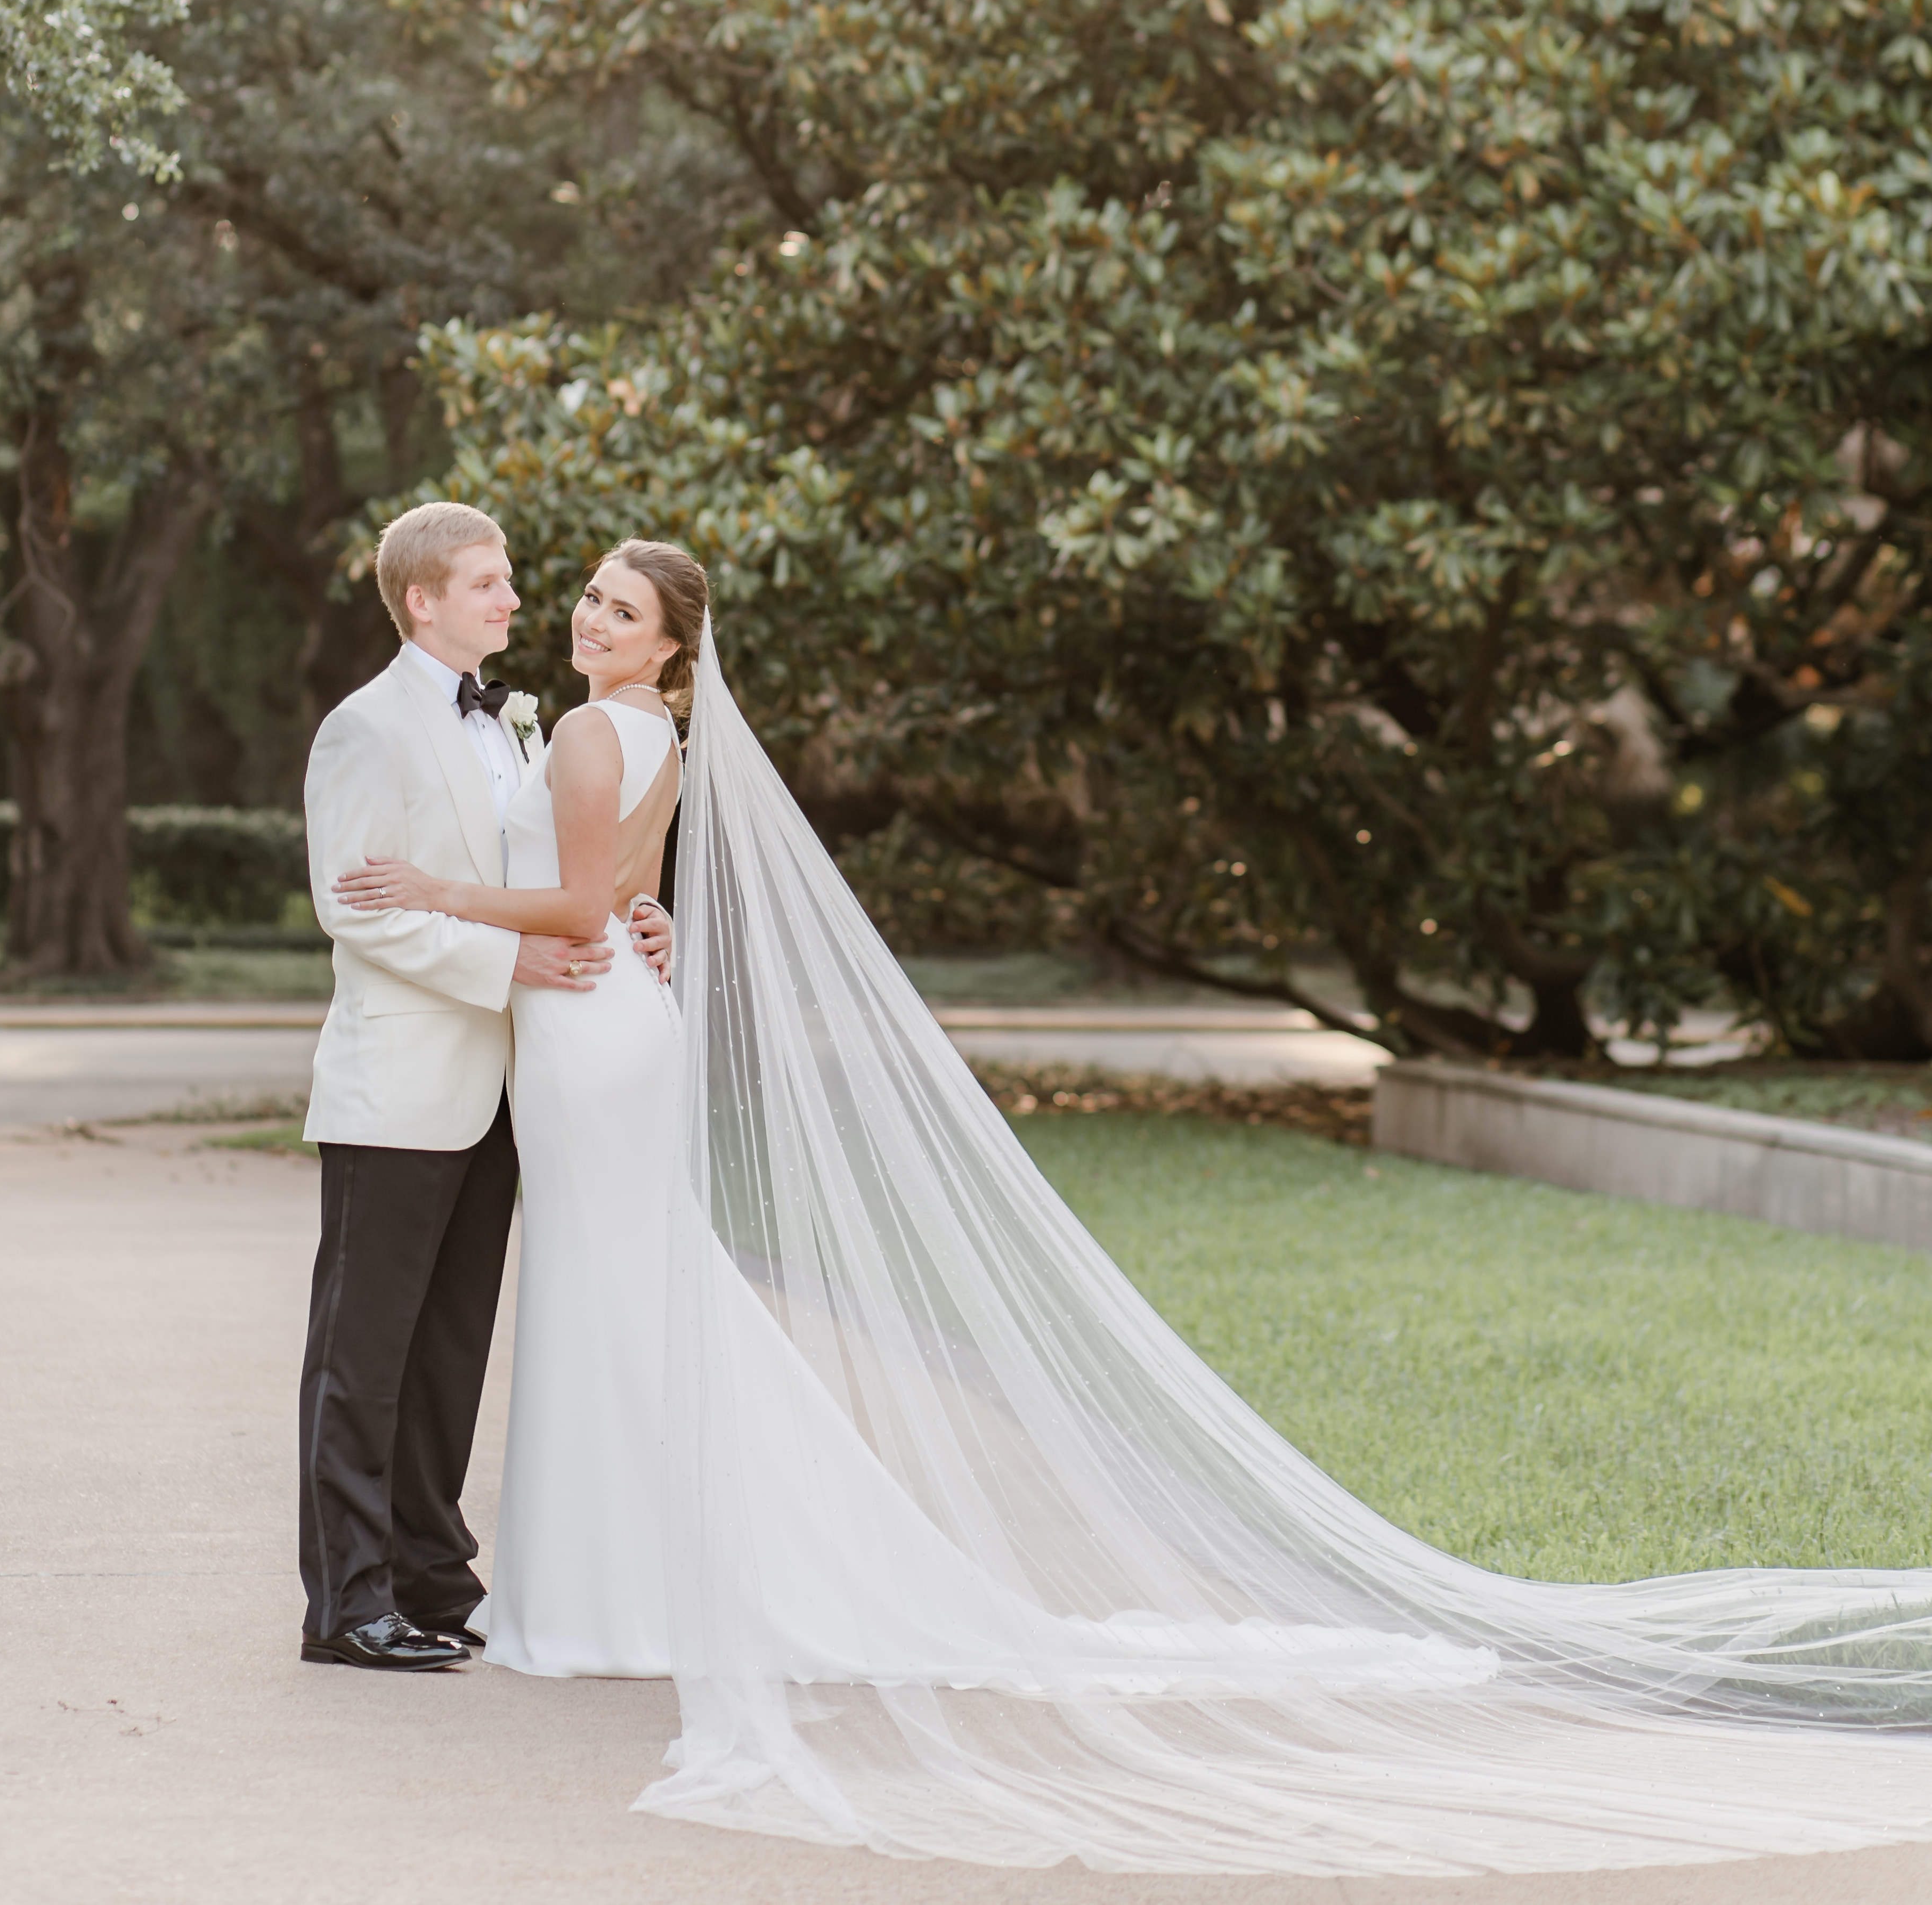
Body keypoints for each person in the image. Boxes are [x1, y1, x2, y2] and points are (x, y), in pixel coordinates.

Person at [334, 539, 1932, 1879]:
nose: (583, 617)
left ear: (673, 644)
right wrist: (626, 916)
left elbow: (574, 894)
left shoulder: (607, 731)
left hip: (589, 1040)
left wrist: (450, 894)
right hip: (593, 1032)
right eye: (578, 598)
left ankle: (615, 1584)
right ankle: (618, 1575)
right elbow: (628, 890)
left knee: (619, 1291)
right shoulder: (615, 729)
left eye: (618, 606)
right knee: (628, 1293)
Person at [298, 501, 669, 1672]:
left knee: (449, 1354)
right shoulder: (365, 729)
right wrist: (510, 955)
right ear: (422, 601)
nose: (515, 599)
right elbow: (357, 916)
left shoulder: (516, 726)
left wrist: (637, 913)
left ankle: (431, 1579)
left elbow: (560, 866)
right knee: (365, 1360)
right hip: (401, 1085)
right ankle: (347, 1606)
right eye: (486, 583)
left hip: (510, 1086)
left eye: (509, 580)